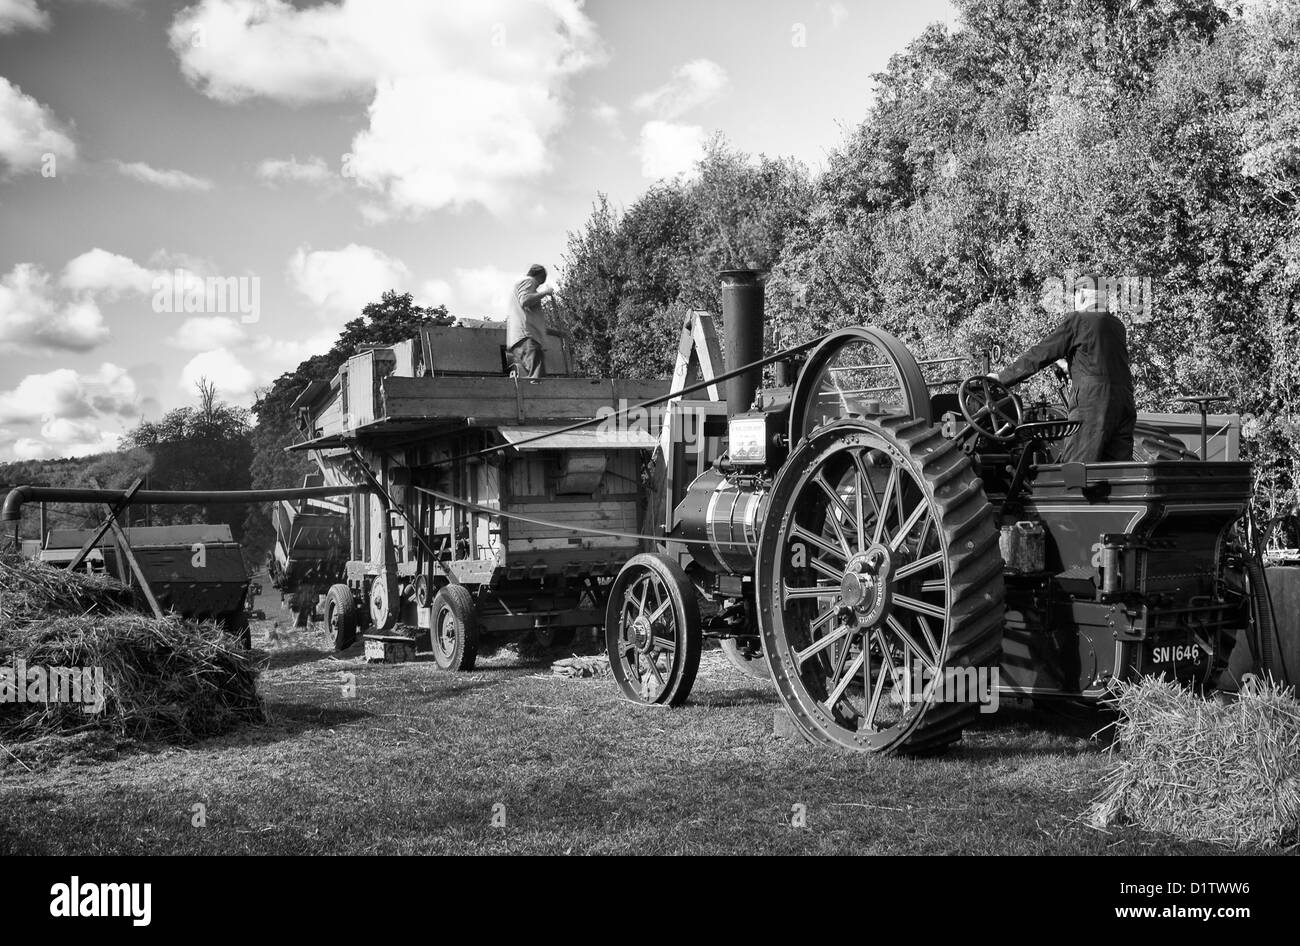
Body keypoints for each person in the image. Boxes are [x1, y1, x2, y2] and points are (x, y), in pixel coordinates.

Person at [996, 274, 1136, 463]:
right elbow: (1100, 364)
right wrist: (1069, 366)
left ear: (1082, 296)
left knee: (1076, 469)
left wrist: (1001, 378)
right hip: (1124, 402)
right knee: (1116, 470)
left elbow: (1040, 354)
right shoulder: (1117, 325)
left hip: (1092, 404)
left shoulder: (1078, 320)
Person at [507, 264, 553, 380]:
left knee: (534, 376)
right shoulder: (529, 281)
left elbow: (532, 320)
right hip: (527, 338)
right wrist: (545, 292)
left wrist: (558, 333)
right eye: (539, 284)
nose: (537, 287)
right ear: (541, 277)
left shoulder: (520, 286)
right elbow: (525, 300)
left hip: (521, 338)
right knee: (537, 379)